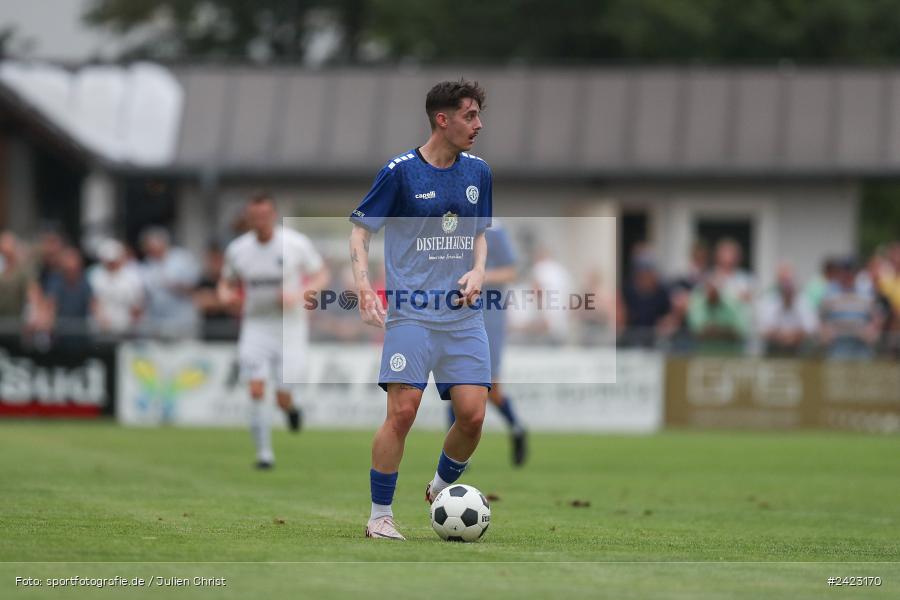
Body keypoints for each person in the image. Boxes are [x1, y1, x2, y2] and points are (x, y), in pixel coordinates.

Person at [349, 79, 491, 540]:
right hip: (411, 313)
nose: (478, 124)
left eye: (478, 115)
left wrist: (479, 271)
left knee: (472, 416)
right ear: (442, 119)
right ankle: (380, 516)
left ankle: (440, 488)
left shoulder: (479, 172)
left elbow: (479, 234)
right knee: (403, 412)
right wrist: (364, 288)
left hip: (463, 315)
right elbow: (360, 232)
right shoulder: (400, 172)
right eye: (470, 115)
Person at [218, 193, 329, 469]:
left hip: (289, 327)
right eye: (254, 216)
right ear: (248, 219)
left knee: (282, 397)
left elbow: (321, 274)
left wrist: (300, 294)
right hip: (255, 326)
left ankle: (291, 408)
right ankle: (264, 455)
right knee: (256, 389)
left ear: (273, 215)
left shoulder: (294, 244)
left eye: (264, 215)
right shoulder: (238, 249)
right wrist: (225, 296)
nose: (259, 221)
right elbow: (226, 282)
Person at [447, 220, 527, 466]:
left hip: (488, 319)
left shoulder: (494, 231)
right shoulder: (450, 225)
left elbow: (511, 272)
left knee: (489, 386)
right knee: (453, 384)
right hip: (454, 316)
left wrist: (478, 276)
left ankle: (516, 427)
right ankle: (455, 455)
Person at [138, 227, 201, 339]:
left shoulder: (181, 257)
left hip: (183, 321)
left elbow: (193, 286)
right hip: (158, 322)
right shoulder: (147, 264)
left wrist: (174, 285)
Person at [757, 263, 818, 356]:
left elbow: (811, 328)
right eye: (783, 280)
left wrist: (793, 336)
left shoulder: (804, 300)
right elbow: (763, 329)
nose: (786, 285)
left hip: (800, 349)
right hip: (774, 349)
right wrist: (782, 336)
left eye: (788, 280)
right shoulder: (768, 300)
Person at [89, 239, 144, 337]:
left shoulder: (133, 276)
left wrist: (133, 325)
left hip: (127, 329)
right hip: (101, 329)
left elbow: (137, 304)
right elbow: (93, 301)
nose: (112, 264)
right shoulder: (94, 275)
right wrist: (101, 320)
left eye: (114, 260)